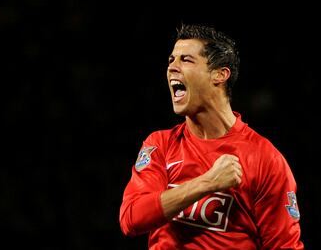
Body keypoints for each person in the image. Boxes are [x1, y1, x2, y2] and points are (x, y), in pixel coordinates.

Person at [119, 23, 304, 249]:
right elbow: (131, 219)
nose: (172, 68)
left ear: (220, 74)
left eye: (185, 60)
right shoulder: (160, 145)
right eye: (171, 60)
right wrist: (207, 183)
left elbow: (284, 246)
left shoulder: (265, 159)